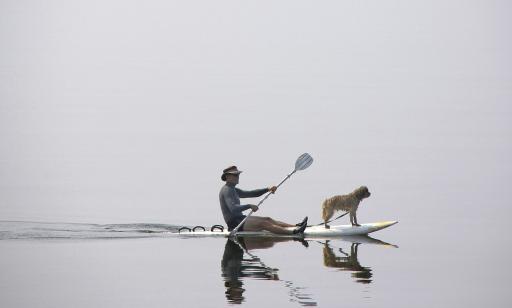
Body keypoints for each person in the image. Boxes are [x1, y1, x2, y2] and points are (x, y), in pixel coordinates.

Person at [219, 165, 308, 235]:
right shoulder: (227, 190)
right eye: (235, 175)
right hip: (235, 223)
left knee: (267, 219)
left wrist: (267, 189)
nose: (237, 176)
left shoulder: (233, 189)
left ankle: (295, 226)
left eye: (238, 174)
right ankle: (294, 232)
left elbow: (251, 193)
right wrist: (249, 206)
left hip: (240, 219)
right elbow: (233, 209)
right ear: (227, 176)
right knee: (264, 224)